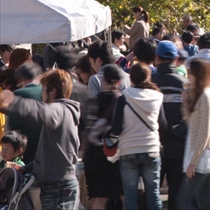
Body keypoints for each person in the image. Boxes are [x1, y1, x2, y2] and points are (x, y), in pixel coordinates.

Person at [0, 69, 81, 210]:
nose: (40, 94)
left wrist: (13, 100)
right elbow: (53, 154)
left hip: (58, 187)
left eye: (43, 89)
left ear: (53, 91)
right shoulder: (64, 112)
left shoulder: (58, 109)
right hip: (59, 186)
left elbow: (38, 111)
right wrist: (27, 168)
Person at [109, 63, 165, 210]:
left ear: (131, 79)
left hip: (128, 150)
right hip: (151, 148)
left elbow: (116, 128)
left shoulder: (124, 97)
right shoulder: (158, 96)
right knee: (154, 195)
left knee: (130, 198)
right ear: (149, 77)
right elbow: (163, 125)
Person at [178, 59, 210, 210]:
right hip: (204, 154)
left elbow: (204, 131)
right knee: (204, 202)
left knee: (185, 201)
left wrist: (193, 161)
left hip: (203, 156)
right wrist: (185, 105)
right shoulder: (204, 94)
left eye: (191, 73)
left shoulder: (205, 95)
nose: (188, 77)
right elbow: (191, 124)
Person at [152, 41, 187, 210]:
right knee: (176, 195)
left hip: (153, 145)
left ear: (156, 58)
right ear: (177, 59)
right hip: (179, 146)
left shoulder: (149, 82)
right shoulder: (185, 84)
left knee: (151, 195)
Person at [84, 64, 123, 210]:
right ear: (119, 82)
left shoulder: (94, 101)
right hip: (117, 154)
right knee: (125, 196)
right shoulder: (123, 101)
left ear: (103, 81)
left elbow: (88, 129)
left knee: (99, 200)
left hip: (96, 157)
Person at [8, 62, 42, 164]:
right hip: (46, 141)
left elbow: (13, 124)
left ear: (21, 78)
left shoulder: (18, 94)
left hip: (27, 144)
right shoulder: (46, 91)